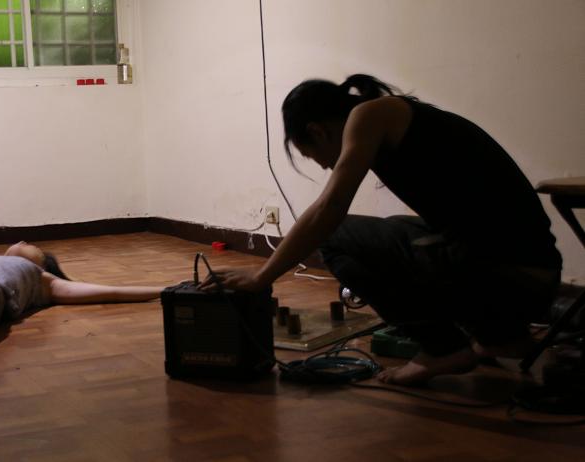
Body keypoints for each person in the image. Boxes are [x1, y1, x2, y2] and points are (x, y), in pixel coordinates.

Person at [200, 74, 562, 386]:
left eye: (312, 155)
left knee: (337, 237)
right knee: (402, 228)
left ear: (317, 130)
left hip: (512, 281)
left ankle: (443, 349)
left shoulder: (370, 116)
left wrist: (262, 276)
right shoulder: (392, 116)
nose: (324, 166)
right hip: (532, 278)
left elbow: (329, 209)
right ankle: (500, 336)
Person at [0, 241, 164, 398]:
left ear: (41, 263)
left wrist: (168, 290)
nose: (23, 242)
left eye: (32, 245)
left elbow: (111, 292)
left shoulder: (41, 279)